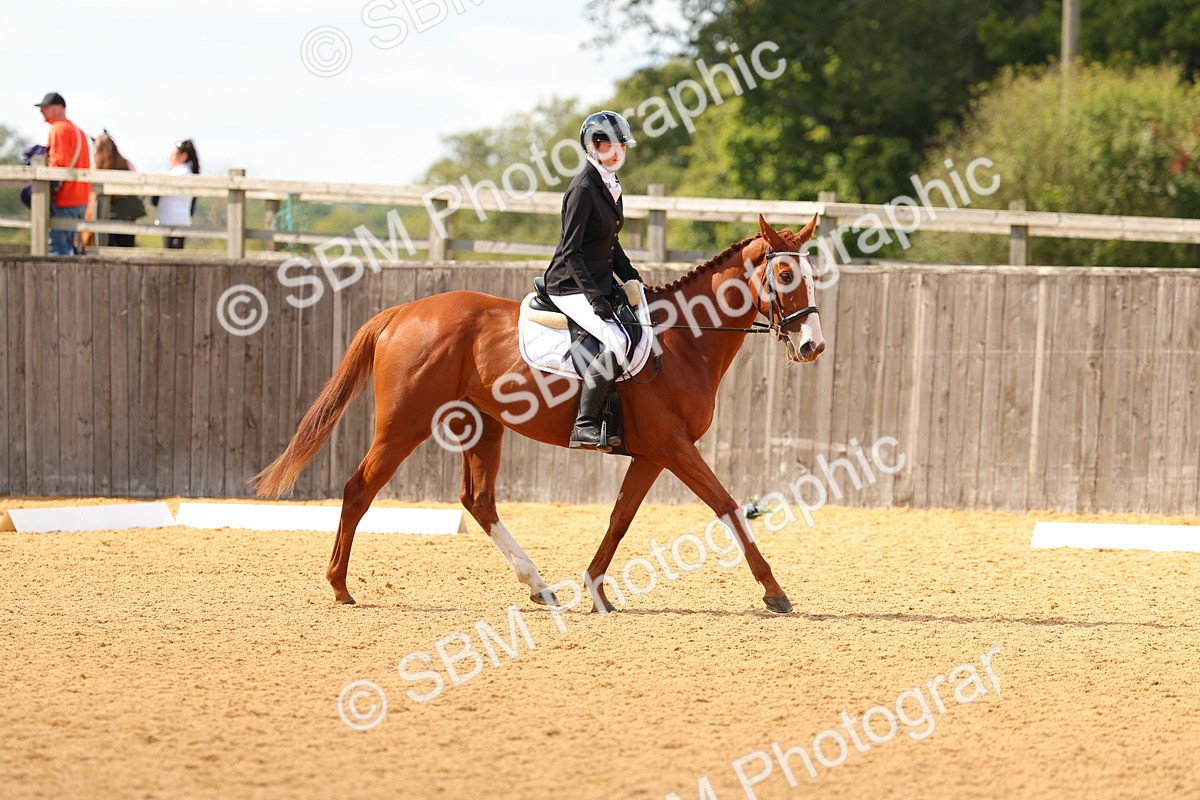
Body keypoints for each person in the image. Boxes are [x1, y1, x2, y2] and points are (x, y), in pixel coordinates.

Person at [542, 110, 643, 450]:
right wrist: (596, 299)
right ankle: (584, 425)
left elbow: (610, 244)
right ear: (593, 147)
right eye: (610, 147)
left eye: (622, 147)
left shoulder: (610, 186)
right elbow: (571, 252)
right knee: (616, 340)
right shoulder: (583, 188)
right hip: (568, 285)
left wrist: (632, 277)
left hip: (596, 279)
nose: (618, 154)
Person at [35, 92, 91, 256]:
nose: (41, 111)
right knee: (71, 249)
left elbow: (58, 164)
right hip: (81, 198)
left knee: (58, 251)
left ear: (58, 108)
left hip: (65, 198)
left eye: (45, 107)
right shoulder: (79, 131)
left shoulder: (58, 129)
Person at [85, 130, 144, 248]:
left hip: (105, 213)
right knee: (126, 248)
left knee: (104, 248)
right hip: (128, 213)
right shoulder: (126, 164)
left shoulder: (95, 168)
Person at [153, 139, 199, 249]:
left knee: (170, 251)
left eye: (173, 154)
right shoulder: (189, 173)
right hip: (182, 218)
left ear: (183, 156)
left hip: (170, 217)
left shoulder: (176, 174)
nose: (170, 157)